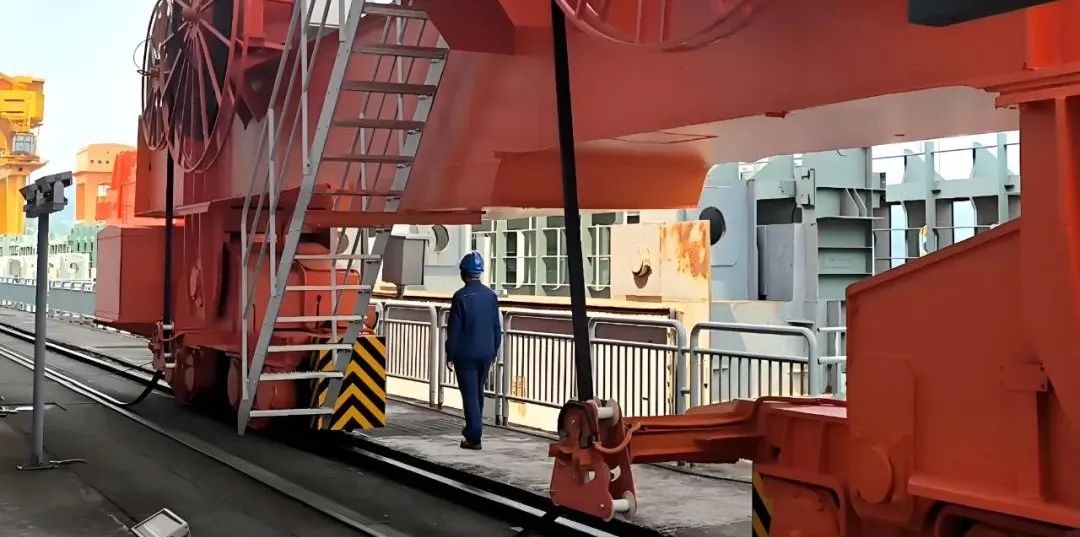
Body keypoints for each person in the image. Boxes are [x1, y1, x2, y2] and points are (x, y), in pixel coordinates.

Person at [445, 251, 501, 450]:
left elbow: (454, 330)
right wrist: (494, 351)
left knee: (469, 394)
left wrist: (450, 354)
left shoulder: (460, 297)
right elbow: (496, 327)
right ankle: (474, 428)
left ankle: (474, 435)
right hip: (486, 352)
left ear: (463, 273)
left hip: (465, 354)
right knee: (478, 391)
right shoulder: (491, 296)